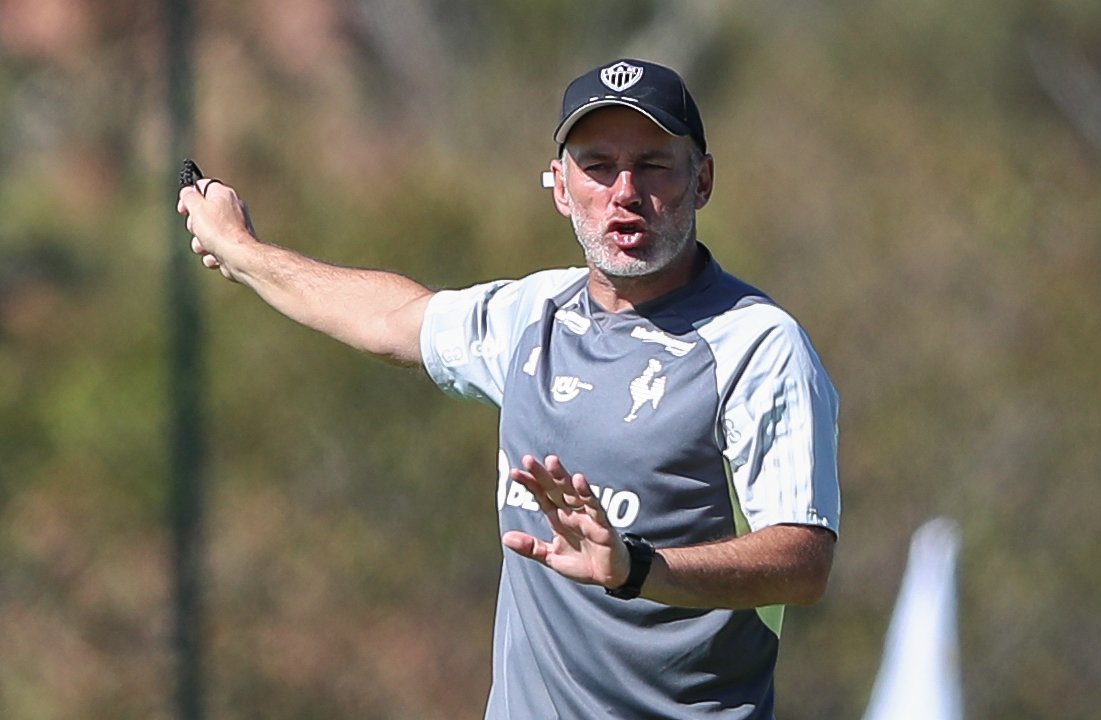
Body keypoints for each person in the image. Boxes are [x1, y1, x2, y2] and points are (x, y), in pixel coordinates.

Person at [178, 58, 840, 720]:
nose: (626, 190)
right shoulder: (536, 316)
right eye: (598, 165)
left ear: (704, 180)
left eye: (655, 163)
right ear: (559, 186)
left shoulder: (756, 345)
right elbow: (389, 319)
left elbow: (805, 562)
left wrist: (638, 569)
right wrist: (242, 252)